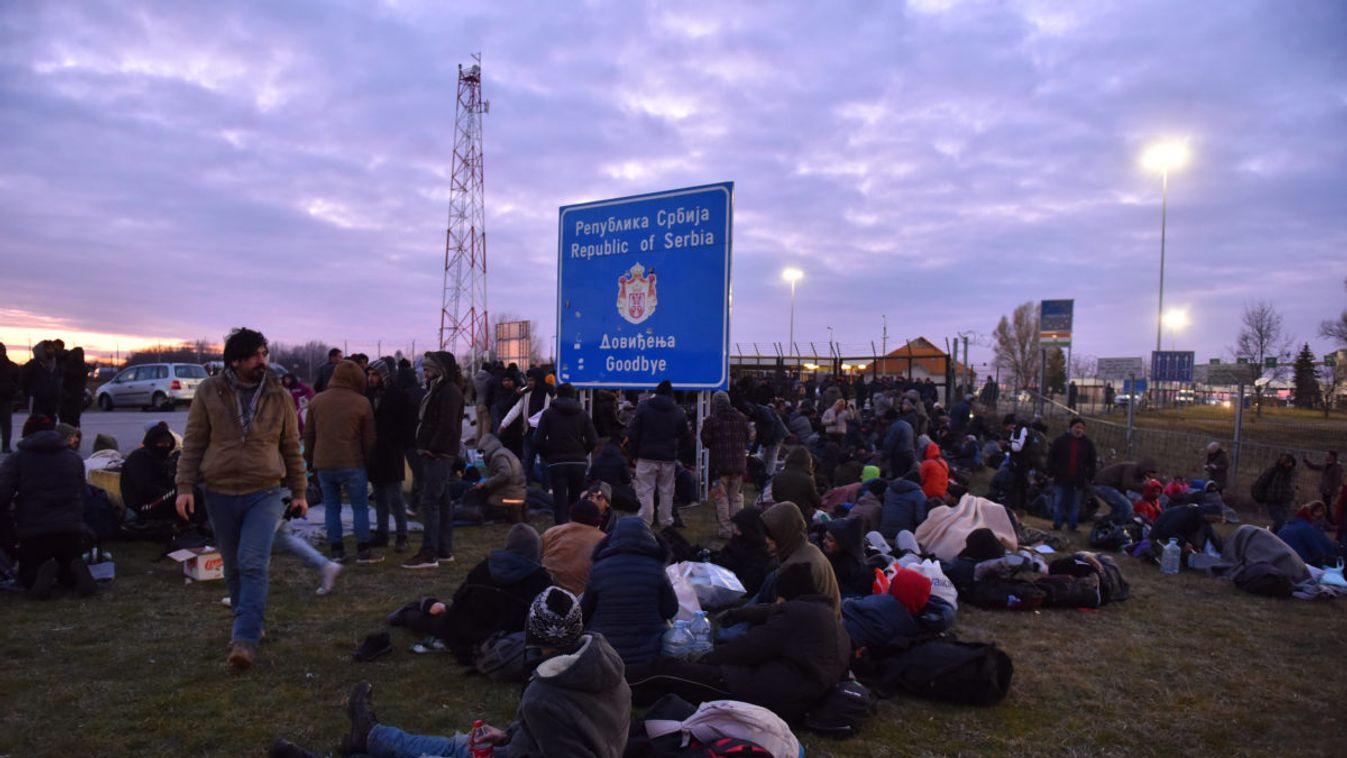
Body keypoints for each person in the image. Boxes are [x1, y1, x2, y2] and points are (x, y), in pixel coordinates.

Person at [286, 587, 630, 758]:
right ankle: (371, 735)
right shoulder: (605, 666)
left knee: (449, 752)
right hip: (525, 747)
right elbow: (564, 727)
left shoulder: (545, 694)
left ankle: (366, 738)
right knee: (458, 745)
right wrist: (509, 734)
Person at [174, 327, 307, 670]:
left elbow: (292, 446)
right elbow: (194, 442)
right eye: (255, 356)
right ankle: (246, 622)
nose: (262, 361)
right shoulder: (209, 391)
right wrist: (185, 487)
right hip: (218, 491)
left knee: (251, 561)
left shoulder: (279, 395)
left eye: (264, 353)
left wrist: (300, 491)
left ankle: (244, 641)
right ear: (235, 361)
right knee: (232, 565)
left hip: (264, 490)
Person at [626, 562, 851, 723]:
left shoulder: (795, 614)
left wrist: (707, 660)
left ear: (786, 595)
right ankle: (636, 696)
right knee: (679, 686)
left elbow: (750, 647)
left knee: (668, 670)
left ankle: (618, 682)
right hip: (792, 696)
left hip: (761, 691)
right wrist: (742, 615)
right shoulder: (829, 619)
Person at [401, 523, 553, 662]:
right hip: (504, 643)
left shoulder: (484, 567)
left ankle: (409, 611)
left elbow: (459, 600)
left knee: (427, 616)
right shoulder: (540, 580)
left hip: (465, 633)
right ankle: (416, 610)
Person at [0, 416, 96, 599]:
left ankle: (38, 575)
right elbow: (82, 493)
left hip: (34, 531)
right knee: (67, 562)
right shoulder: (73, 458)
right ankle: (72, 572)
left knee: (28, 573)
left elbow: (3, 495)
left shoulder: (17, 459)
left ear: (26, 434)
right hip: (71, 529)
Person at [304, 360, 378, 564]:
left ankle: (337, 550)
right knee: (360, 507)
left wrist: (309, 459)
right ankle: (363, 549)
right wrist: (369, 462)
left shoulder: (317, 401)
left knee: (331, 507)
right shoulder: (362, 403)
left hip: (324, 463)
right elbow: (369, 439)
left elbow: (308, 434)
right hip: (352, 463)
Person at [581, 516, 679, 666]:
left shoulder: (599, 569)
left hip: (605, 654)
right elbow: (671, 610)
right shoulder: (656, 568)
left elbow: (585, 611)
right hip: (648, 655)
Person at [403, 351, 464, 570]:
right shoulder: (438, 389)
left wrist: (432, 448)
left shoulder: (448, 391)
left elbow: (448, 425)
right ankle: (443, 549)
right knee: (442, 501)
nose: (424, 373)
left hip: (438, 454)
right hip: (437, 452)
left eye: (428, 369)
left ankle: (428, 553)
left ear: (439, 370)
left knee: (430, 501)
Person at [365, 359, 416, 552]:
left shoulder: (397, 395)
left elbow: (407, 423)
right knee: (378, 496)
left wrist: (395, 440)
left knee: (395, 497)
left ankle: (402, 535)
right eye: (369, 375)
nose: (371, 378)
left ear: (383, 375)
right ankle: (382, 533)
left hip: (391, 451)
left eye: (375, 375)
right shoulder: (369, 395)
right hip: (375, 452)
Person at [627, 380, 691, 529]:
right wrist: (677, 452)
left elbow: (633, 433)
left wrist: (633, 454)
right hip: (668, 458)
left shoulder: (644, 408)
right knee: (666, 492)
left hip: (646, 456)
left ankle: (644, 521)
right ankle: (666, 522)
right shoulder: (678, 412)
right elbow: (686, 437)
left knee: (645, 491)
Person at [760, 501, 842, 615]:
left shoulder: (796, 567)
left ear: (784, 534)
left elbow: (786, 616)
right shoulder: (809, 548)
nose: (766, 540)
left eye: (771, 535)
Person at [536, 382, 598, 525]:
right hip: (578, 462)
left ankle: (560, 527)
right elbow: (593, 439)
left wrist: (548, 454)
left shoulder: (548, 414)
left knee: (559, 499)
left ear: (557, 394)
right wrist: (583, 452)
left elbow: (537, 440)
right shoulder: (582, 414)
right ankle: (575, 525)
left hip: (556, 461)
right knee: (575, 498)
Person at [701, 390, 750, 538]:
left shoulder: (711, 420)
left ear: (715, 403)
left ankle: (726, 530)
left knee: (721, 498)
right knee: (736, 498)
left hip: (719, 467)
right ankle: (737, 529)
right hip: (739, 465)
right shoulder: (741, 418)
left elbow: (706, 441)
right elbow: (747, 437)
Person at [541, 497, 607, 595]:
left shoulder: (552, 533)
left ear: (571, 515)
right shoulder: (605, 541)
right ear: (597, 521)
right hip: (582, 599)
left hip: (547, 592)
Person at [500, 367, 552, 486]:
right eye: (528, 380)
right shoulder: (526, 394)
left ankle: (546, 488)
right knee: (527, 462)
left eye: (532, 380)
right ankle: (525, 487)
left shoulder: (549, 393)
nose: (529, 383)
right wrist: (504, 423)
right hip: (528, 433)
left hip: (544, 435)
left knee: (545, 464)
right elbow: (516, 409)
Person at [709, 507, 776, 598]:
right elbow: (724, 558)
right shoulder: (739, 540)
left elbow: (753, 583)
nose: (736, 531)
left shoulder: (761, 552)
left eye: (739, 527)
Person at [1046, 417, 1099, 532]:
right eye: (1077, 427)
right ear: (1071, 428)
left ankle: (1072, 524)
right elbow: (1052, 457)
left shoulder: (1087, 444)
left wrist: (1090, 475)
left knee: (1075, 504)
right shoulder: (1060, 441)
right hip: (1061, 477)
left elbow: (1092, 461)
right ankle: (1057, 523)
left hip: (1078, 479)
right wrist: (1052, 471)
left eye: (1081, 428)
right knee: (1059, 501)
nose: (1079, 430)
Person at [464, 432, 526, 521]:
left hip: (508, 496)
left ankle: (506, 512)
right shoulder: (504, 452)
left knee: (482, 507)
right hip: (517, 493)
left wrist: (485, 484)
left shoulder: (498, 456)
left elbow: (505, 474)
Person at [1092, 458, 1156, 525]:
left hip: (1112, 487)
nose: (1150, 475)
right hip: (1103, 484)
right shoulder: (1132, 468)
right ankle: (1114, 526)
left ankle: (1106, 524)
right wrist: (1144, 485)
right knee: (1127, 507)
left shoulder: (1141, 475)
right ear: (1145, 469)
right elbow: (1127, 484)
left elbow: (1135, 488)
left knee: (1120, 509)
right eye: (1149, 472)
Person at [1276, 502, 1342, 567]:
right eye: (1316, 511)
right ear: (1310, 515)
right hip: (1301, 565)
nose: (1319, 514)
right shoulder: (1307, 528)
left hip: (1283, 564)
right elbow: (1319, 552)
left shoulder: (1285, 527)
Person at [770, 446, 821, 522]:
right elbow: (816, 502)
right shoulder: (807, 479)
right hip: (801, 517)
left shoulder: (779, 476)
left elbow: (775, 496)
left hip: (781, 515)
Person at [823, 516, 870, 598]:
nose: (824, 541)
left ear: (842, 544)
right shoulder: (834, 556)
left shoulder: (851, 568)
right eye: (825, 537)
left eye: (830, 540)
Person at [1251, 453, 1298, 533]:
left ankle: (1274, 536)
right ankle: (1281, 537)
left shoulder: (1291, 473)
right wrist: (1260, 497)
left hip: (1285, 502)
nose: (1289, 465)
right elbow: (1261, 483)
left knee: (1280, 522)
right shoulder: (1273, 471)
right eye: (1288, 462)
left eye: (1291, 463)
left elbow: (1292, 486)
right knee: (1281, 522)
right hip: (1273, 501)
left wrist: (1291, 495)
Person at [881, 470, 928, 541]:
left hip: (884, 531)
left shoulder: (889, 490)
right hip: (905, 533)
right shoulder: (918, 494)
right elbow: (920, 518)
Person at [20, 340, 62, 418]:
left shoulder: (56, 366)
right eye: (48, 348)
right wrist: (30, 393)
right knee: (36, 423)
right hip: (37, 400)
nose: (51, 351)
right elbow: (24, 382)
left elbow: (58, 381)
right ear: (42, 350)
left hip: (52, 401)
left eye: (52, 349)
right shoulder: (32, 365)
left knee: (51, 424)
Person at [1302, 451, 1343, 518]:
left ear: (1333, 457)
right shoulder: (1326, 465)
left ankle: (1330, 523)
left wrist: (1334, 493)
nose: (1326, 457)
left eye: (1328, 455)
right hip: (1325, 490)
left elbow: (1337, 481)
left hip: (1330, 492)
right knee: (1325, 507)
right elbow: (1314, 467)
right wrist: (1306, 461)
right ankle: (1328, 522)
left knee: (1327, 508)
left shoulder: (1337, 467)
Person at [881, 408, 916, 478]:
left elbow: (889, 444)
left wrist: (883, 456)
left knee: (898, 477)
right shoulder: (907, 424)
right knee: (907, 476)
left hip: (899, 456)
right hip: (910, 454)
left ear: (889, 419)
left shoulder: (894, 427)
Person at [58, 346, 87, 429]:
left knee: (67, 422)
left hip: (69, 398)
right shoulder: (82, 367)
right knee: (73, 421)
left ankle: (68, 438)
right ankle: (72, 438)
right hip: (75, 398)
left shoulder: (72, 367)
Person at [0, 343, 20, 453]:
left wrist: (13, 390)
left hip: (6, 399)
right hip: (6, 398)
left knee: (6, 424)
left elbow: (18, 381)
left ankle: (6, 445)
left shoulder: (12, 366)